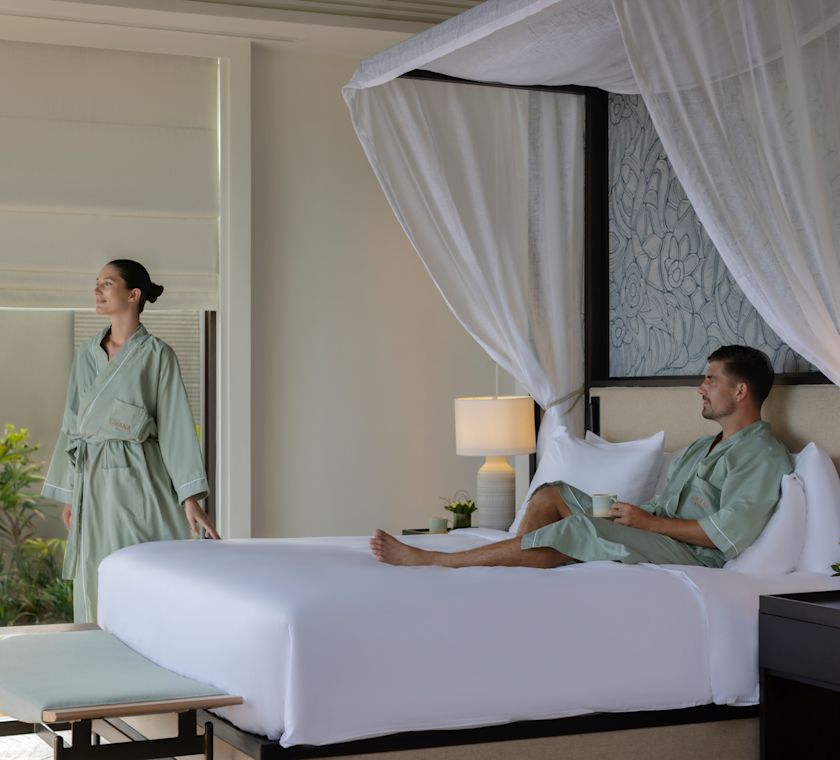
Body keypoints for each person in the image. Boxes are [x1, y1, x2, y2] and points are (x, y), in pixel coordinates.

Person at [371, 345, 792, 570]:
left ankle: (438, 560)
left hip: (693, 555)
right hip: (657, 532)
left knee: (576, 528)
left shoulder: (761, 456)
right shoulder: (704, 446)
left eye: (711, 379)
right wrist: (634, 514)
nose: (701, 387)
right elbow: (662, 507)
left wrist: (647, 523)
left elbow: (727, 535)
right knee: (553, 493)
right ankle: (520, 570)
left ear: (740, 392)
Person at [42, 260, 220, 622]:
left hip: (140, 476)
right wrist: (72, 491)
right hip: (92, 482)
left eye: (107, 284)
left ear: (133, 294)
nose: (97, 291)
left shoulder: (158, 355)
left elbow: (176, 428)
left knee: (147, 567)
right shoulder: (85, 356)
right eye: (97, 284)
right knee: (98, 570)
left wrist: (190, 498)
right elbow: (71, 424)